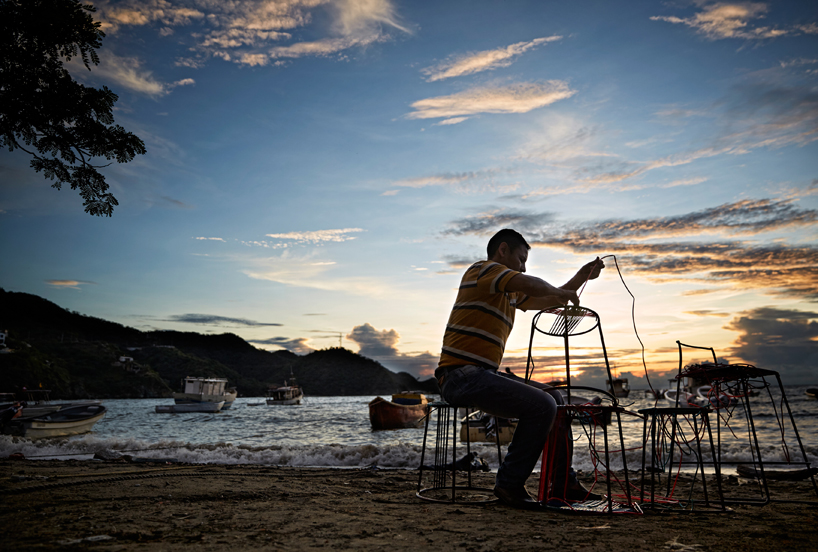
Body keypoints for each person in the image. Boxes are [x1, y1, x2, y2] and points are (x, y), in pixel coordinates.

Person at [435, 228, 604, 509]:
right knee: (543, 407)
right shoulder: (483, 270)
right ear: (503, 251)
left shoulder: (510, 291)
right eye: (521, 258)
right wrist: (553, 288)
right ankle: (509, 484)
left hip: (481, 375)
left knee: (556, 399)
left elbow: (552, 299)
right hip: (460, 376)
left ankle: (563, 482)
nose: (524, 267)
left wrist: (582, 276)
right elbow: (535, 285)